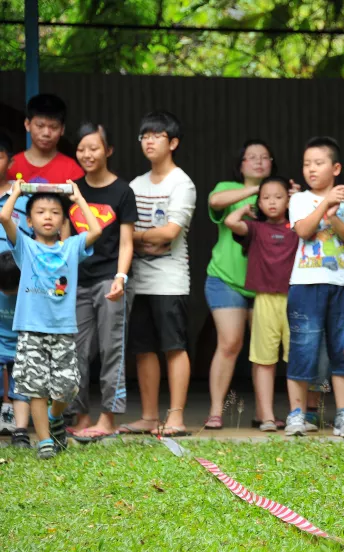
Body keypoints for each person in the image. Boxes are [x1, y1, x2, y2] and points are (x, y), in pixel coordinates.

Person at [0, 179, 103, 458]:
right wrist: (17, 193)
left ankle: (55, 418)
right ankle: (44, 440)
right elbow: (3, 216)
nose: (48, 216)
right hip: (31, 329)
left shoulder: (70, 247)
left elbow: (95, 229)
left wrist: (79, 198)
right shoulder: (25, 246)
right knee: (36, 386)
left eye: (55, 212)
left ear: (63, 221)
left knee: (67, 387)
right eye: (41, 212)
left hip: (63, 329)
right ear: (30, 221)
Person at [120, 111, 196, 437]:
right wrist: (137, 235)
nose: (148, 141)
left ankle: (175, 416)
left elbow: (169, 232)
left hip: (170, 280)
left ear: (173, 142)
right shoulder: (134, 185)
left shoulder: (182, 183)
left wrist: (132, 236)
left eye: (156, 135)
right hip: (139, 280)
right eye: (144, 136)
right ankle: (149, 417)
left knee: (174, 346)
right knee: (143, 349)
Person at [284, 136, 344, 440]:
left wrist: (334, 215)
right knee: (303, 348)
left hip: (343, 285)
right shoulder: (300, 199)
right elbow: (304, 230)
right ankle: (296, 415)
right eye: (307, 164)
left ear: (336, 167)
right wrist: (325, 204)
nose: (311, 169)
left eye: (318, 163)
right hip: (305, 285)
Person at [62, 123, 137, 441]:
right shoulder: (72, 190)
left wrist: (120, 277)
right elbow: (65, 239)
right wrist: (62, 279)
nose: (87, 154)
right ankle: (82, 416)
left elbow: (126, 242)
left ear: (108, 150)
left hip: (110, 281)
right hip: (77, 282)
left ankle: (108, 417)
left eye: (94, 148)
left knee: (111, 350)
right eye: (81, 148)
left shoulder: (122, 191)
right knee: (76, 352)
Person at [205, 140, 282, 430]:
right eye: (252, 158)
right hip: (226, 278)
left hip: (265, 284)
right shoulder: (227, 188)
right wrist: (255, 191)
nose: (259, 162)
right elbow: (214, 202)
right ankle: (215, 411)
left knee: (265, 350)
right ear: (241, 165)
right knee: (230, 343)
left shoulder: (281, 195)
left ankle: (266, 414)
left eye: (265, 157)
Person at [225, 176, 298, 432]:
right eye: (266, 198)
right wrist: (244, 210)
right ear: (259, 202)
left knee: (297, 358)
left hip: (294, 299)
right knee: (264, 360)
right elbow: (230, 222)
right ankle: (266, 416)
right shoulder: (255, 228)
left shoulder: (297, 226)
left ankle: (296, 414)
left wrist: (299, 201)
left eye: (279, 196)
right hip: (264, 298)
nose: (272, 202)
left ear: (288, 200)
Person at [0, 132, 33, 440]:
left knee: (20, 350)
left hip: (18, 284)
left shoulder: (24, 196)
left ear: (10, 161)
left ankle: (18, 418)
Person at [8, 94, 84, 184]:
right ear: (27, 124)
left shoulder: (73, 171)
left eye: (54, 127)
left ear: (62, 129)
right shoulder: (10, 167)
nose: (46, 133)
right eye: (40, 126)